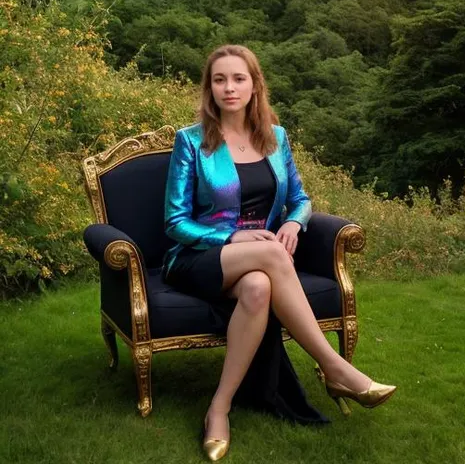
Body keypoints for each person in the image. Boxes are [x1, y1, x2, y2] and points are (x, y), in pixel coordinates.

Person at [163, 44, 396, 461]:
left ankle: (219, 407)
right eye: (219, 80)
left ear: (255, 86)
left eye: (238, 79)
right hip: (198, 256)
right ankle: (336, 370)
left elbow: (301, 198)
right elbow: (174, 222)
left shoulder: (276, 137)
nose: (229, 88)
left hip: (258, 262)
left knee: (257, 289)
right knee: (270, 258)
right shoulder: (191, 141)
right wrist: (231, 239)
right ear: (209, 88)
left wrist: (292, 222)